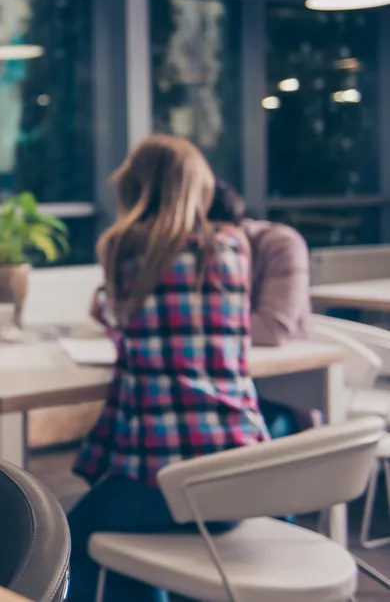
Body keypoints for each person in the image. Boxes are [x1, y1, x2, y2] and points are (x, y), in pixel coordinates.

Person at [68, 136, 268, 602]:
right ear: (198, 188)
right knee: (139, 534)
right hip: (243, 477)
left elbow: (132, 336)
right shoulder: (233, 247)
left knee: (68, 538)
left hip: (164, 486)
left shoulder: (122, 249)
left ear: (135, 191)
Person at [208, 178, 312, 440]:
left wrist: (189, 321)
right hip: (219, 389)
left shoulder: (281, 244)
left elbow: (272, 329)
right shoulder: (197, 254)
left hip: (279, 394)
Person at [207, 179, 311, 347]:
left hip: (291, 366)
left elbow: (272, 329)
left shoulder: (282, 244)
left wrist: (185, 325)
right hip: (224, 359)